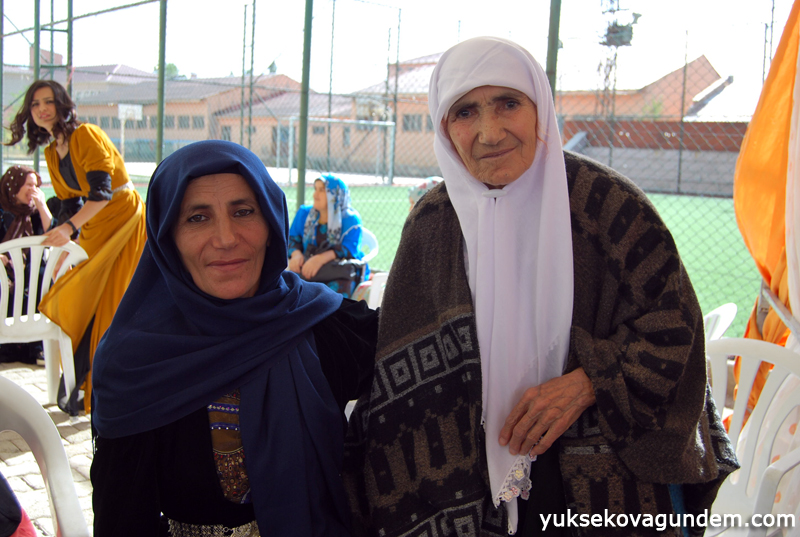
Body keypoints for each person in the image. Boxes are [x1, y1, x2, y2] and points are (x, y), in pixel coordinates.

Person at [342, 37, 738, 537]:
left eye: (508, 103)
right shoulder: (431, 223)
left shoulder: (610, 206)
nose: (490, 132)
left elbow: (675, 329)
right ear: (444, 127)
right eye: (465, 112)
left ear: (540, 110)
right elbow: (401, 358)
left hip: (599, 469)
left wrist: (591, 380)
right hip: (462, 471)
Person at [90, 140, 378, 536]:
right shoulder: (135, 362)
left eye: (243, 211)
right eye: (197, 218)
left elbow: (425, 346)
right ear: (166, 237)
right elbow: (122, 520)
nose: (225, 238)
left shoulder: (318, 321)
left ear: (271, 223)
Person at [5, 80, 147, 415]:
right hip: (94, 224)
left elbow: (102, 193)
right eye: (35, 104)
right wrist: (64, 247)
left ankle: (113, 388)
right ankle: (94, 384)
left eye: (48, 101)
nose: (42, 109)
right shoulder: (51, 153)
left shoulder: (86, 135)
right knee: (83, 298)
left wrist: (69, 230)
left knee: (113, 301)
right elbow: (70, 205)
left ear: (62, 104)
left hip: (124, 218)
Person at [0, 166, 53, 365]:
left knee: (39, 274)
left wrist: (42, 206)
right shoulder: (2, 212)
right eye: (29, 184)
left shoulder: (37, 214)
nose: (34, 189)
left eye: (36, 185)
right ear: (14, 186)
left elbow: (55, 234)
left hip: (30, 271)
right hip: (4, 271)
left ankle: (36, 347)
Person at [288, 174, 366, 298]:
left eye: (322, 190)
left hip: (337, 272)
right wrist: (295, 254)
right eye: (315, 189)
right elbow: (292, 238)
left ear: (335, 195)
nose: (315, 195)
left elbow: (350, 249)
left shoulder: (350, 219)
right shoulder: (304, 213)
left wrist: (319, 259)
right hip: (306, 268)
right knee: (289, 287)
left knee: (334, 299)